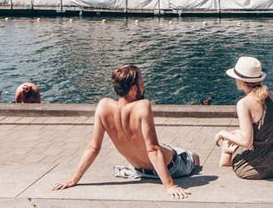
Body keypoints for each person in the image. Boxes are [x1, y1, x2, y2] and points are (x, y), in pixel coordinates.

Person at [52, 65, 200, 199]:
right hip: (172, 167)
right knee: (194, 157)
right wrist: (169, 185)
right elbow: (153, 149)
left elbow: (93, 148)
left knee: (164, 146)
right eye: (142, 83)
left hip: (138, 170)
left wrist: (73, 179)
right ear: (134, 89)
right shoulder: (143, 106)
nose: (144, 87)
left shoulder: (103, 106)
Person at [215, 57, 273, 179]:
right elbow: (268, 128)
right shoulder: (272, 96)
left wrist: (223, 133)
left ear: (240, 81)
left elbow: (246, 143)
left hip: (256, 168)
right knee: (236, 134)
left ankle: (226, 160)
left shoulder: (244, 103)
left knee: (228, 142)